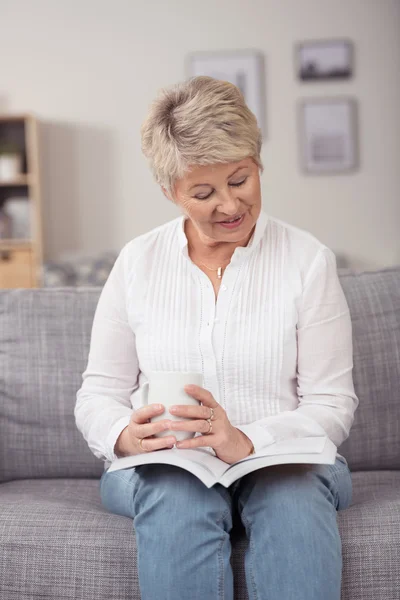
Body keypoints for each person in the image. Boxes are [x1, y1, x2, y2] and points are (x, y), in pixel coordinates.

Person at [75, 76, 358, 600]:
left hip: (285, 462)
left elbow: (332, 403)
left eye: (241, 179)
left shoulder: (307, 260)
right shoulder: (137, 263)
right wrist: (123, 435)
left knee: (289, 491)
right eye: (203, 193)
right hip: (167, 467)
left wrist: (247, 442)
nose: (230, 205)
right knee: (179, 490)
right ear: (171, 191)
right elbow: (98, 394)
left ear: (257, 163)